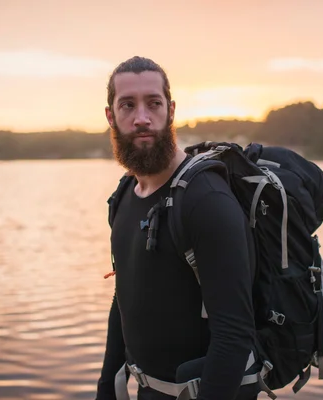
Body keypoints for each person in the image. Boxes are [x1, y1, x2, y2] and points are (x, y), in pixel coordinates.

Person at [96, 56, 260, 400]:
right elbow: (123, 298)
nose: (142, 118)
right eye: (128, 105)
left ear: (170, 110)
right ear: (111, 115)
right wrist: (106, 388)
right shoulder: (125, 194)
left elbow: (234, 335)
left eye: (153, 103)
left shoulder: (206, 201)